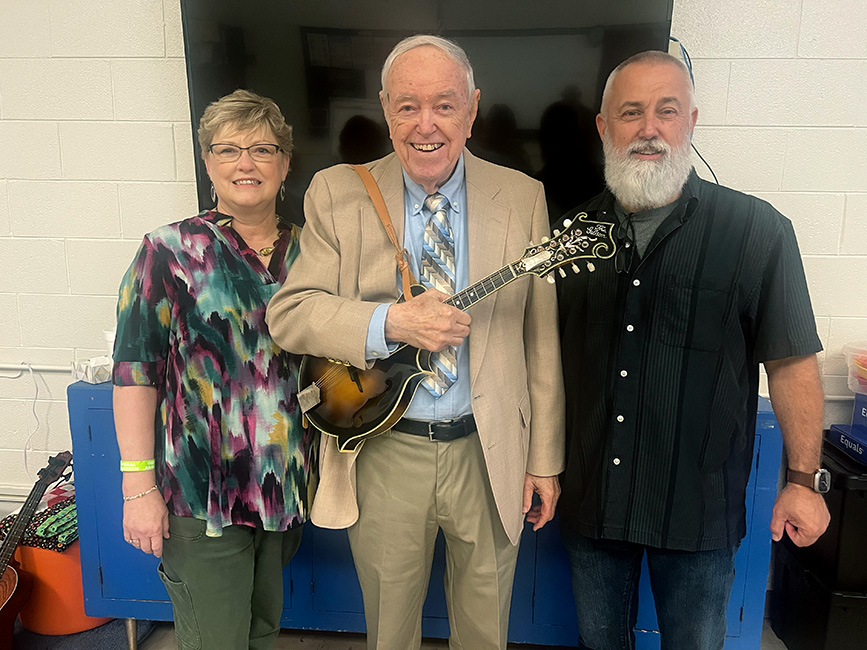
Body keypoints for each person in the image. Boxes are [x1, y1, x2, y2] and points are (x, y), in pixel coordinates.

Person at [266, 35, 565, 650]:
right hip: (384, 451)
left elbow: (542, 340)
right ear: (384, 108)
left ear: (473, 107)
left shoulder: (521, 197)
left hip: (489, 452)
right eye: (407, 106)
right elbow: (291, 314)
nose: (425, 125)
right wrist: (390, 324)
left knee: (487, 630)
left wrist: (545, 459)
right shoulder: (336, 192)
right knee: (390, 630)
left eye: (444, 105)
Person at [554, 50, 831, 650]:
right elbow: (540, 364)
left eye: (666, 111)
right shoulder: (567, 238)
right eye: (630, 112)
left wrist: (804, 481)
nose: (649, 128)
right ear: (604, 127)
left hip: (698, 511)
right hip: (592, 505)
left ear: (691, 121)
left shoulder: (758, 231)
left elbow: (790, 363)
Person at [112, 89, 313, 650]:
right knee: (216, 641)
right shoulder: (168, 251)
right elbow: (134, 374)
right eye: (228, 150)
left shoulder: (313, 253)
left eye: (262, 149)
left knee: (262, 633)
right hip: (201, 497)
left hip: (282, 488)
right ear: (208, 163)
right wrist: (137, 488)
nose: (245, 163)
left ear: (285, 162)